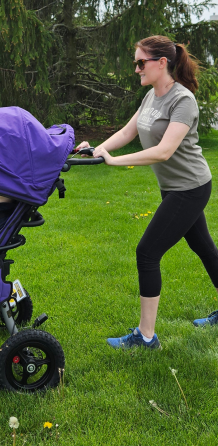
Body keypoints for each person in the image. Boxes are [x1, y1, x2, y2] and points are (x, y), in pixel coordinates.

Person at [76, 35, 218, 349]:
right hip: (174, 188)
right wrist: (96, 150)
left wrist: (114, 162)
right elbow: (129, 131)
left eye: (141, 62)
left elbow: (164, 151)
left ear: (161, 63)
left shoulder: (183, 100)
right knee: (205, 249)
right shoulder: (151, 96)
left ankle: (146, 337)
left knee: (147, 252)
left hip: (191, 188)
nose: (137, 69)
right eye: (136, 63)